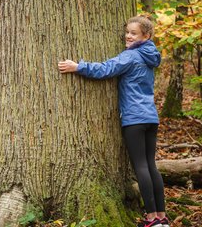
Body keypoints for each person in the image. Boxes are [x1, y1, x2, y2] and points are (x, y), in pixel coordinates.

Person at [58, 15, 169, 227]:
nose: (128, 36)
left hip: (134, 118)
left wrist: (78, 67)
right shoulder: (150, 56)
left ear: (145, 35)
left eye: (133, 33)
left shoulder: (132, 56)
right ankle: (162, 218)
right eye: (127, 32)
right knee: (151, 166)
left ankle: (152, 218)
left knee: (141, 167)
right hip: (150, 117)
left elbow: (106, 69)